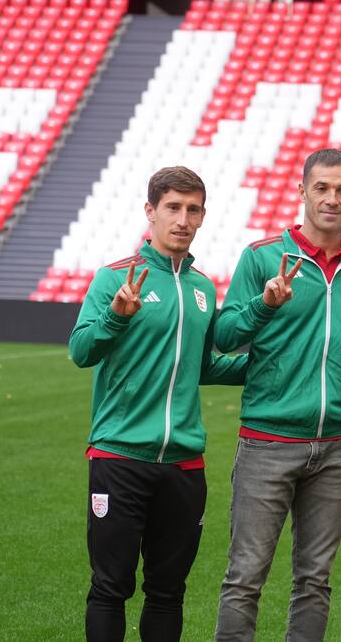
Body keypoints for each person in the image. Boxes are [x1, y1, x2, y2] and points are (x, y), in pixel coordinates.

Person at [69, 166, 249, 642]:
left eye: (192, 210)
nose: (182, 220)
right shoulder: (115, 279)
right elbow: (81, 351)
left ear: (203, 216)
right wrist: (115, 317)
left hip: (184, 466)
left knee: (169, 591)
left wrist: (263, 369)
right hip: (119, 457)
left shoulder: (204, 288)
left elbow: (202, 366)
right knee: (110, 587)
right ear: (151, 212)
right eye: (172, 208)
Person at [213, 148, 341, 641]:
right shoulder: (263, 256)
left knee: (315, 580)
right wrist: (264, 305)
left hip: (337, 447)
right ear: (301, 190)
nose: (332, 198)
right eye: (322, 187)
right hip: (268, 441)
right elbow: (224, 336)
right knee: (245, 578)